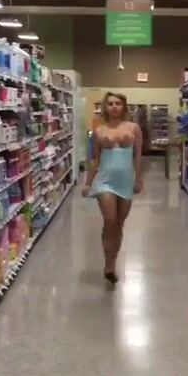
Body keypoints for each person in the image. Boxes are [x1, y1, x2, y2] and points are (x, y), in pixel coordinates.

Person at [82, 91, 143, 285]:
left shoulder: (134, 128)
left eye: (118, 103)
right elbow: (94, 159)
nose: (114, 107)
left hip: (125, 181)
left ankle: (112, 262)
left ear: (124, 106)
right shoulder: (98, 131)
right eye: (110, 104)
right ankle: (108, 265)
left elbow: (138, 156)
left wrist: (139, 179)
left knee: (118, 224)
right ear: (105, 107)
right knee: (110, 220)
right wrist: (88, 182)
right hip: (104, 181)